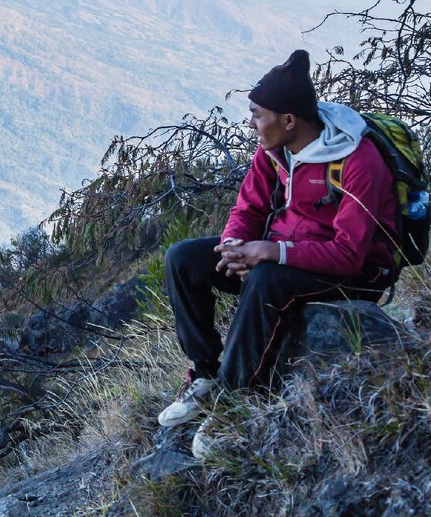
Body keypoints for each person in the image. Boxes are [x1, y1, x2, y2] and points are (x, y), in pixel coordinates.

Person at [158, 49, 398, 459]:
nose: (251, 124)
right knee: (183, 258)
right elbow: (248, 209)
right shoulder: (274, 150)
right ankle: (206, 374)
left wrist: (271, 252)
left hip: (357, 273)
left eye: (257, 115)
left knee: (267, 279)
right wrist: (233, 246)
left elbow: (348, 255)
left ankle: (234, 404)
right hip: (287, 255)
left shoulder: (358, 162)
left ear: (288, 120)